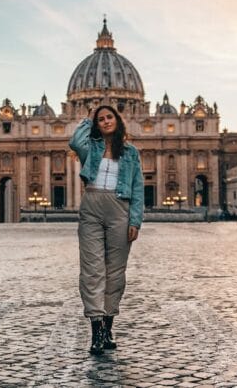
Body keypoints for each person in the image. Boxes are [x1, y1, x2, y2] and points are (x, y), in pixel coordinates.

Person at [69, 105, 144, 355]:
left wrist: (135, 220)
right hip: (91, 206)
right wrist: (87, 119)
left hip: (119, 209)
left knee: (115, 273)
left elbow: (138, 188)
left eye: (109, 117)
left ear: (117, 119)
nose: (105, 121)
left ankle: (108, 325)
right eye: (100, 119)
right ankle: (96, 330)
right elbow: (74, 140)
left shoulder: (131, 153)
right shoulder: (90, 148)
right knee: (91, 270)